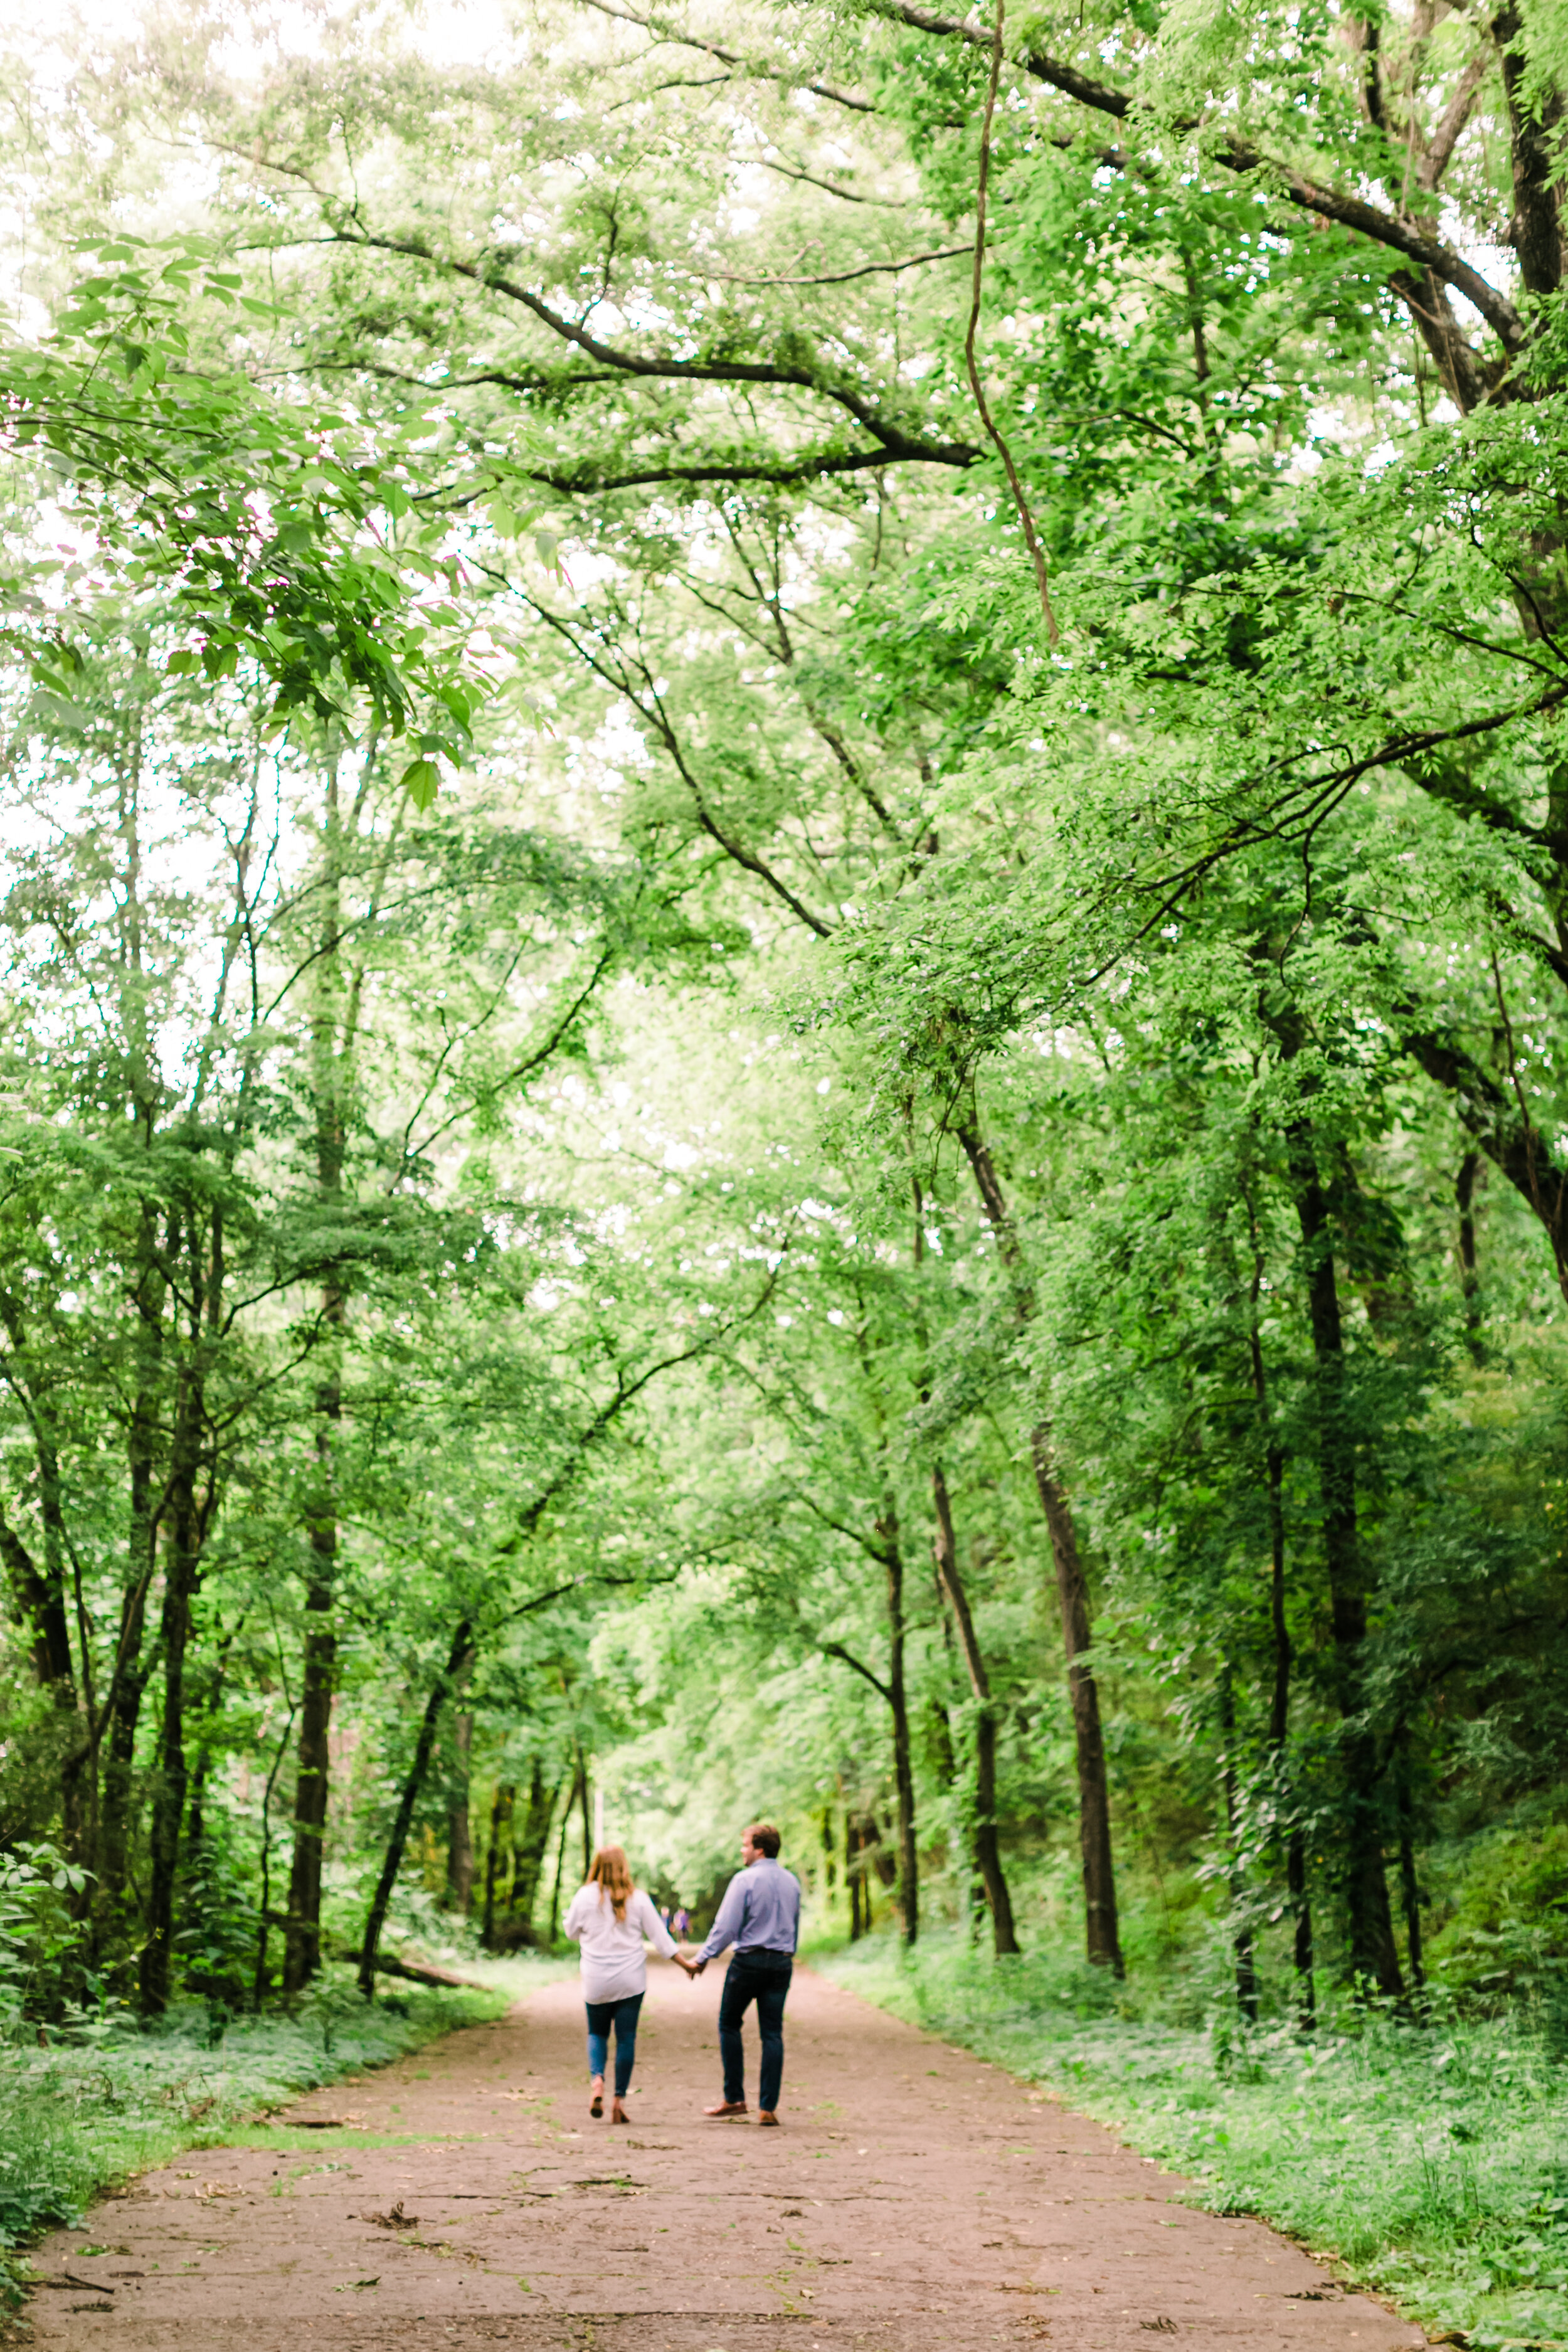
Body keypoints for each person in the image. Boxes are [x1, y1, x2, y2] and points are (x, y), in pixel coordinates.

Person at [676, 1821, 800, 2127]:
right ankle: (768, 2107)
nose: (742, 1851)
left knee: (729, 2024)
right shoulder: (792, 1882)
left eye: (745, 1845)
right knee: (772, 2033)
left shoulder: (744, 1881)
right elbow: (794, 1924)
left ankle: (734, 2099)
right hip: (782, 1963)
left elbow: (727, 1926)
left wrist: (703, 1958)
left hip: (749, 1963)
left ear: (759, 1849)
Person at [563, 1845, 680, 2124]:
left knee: (597, 2034)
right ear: (624, 1867)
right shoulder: (638, 1899)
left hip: (596, 1980)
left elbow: (570, 1932)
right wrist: (688, 1965)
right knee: (626, 2039)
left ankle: (597, 2083)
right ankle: (619, 2102)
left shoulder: (584, 1896)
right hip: (631, 1981)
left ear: (596, 1866)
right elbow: (661, 1939)